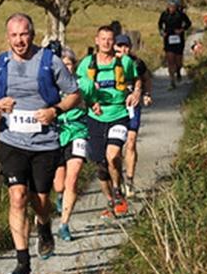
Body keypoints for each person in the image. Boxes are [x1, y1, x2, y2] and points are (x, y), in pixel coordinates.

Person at [0, 14, 83, 274]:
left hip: (45, 142)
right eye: (13, 35)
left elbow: (75, 94)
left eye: (23, 34)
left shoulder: (50, 62)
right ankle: (22, 264)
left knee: (39, 201)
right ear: (7, 37)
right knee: (17, 197)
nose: (19, 40)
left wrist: (54, 110)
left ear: (33, 34)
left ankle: (44, 225)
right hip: (12, 141)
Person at [77, 25, 141, 220]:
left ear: (114, 42)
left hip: (119, 113)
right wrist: (90, 101)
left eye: (110, 39)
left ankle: (117, 190)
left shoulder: (125, 61)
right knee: (100, 164)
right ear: (96, 40)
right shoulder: (87, 63)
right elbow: (76, 88)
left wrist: (137, 92)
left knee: (112, 156)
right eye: (103, 39)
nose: (106, 42)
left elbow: (137, 79)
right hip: (95, 117)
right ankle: (110, 199)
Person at [52, 46, 93, 242]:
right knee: (59, 184)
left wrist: (95, 106)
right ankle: (60, 196)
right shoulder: (51, 85)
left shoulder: (84, 84)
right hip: (57, 132)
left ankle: (64, 224)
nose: (66, 68)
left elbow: (94, 101)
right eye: (62, 64)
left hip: (78, 131)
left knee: (72, 179)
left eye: (69, 64)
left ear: (74, 65)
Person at [114, 32, 152, 198]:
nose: (123, 49)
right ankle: (117, 179)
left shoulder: (137, 62)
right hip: (114, 108)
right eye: (120, 46)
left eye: (126, 46)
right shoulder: (108, 63)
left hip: (132, 106)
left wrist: (146, 94)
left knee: (130, 143)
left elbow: (145, 79)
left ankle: (129, 181)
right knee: (116, 147)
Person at [157, 0, 192, 90]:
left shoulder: (181, 15)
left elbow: (188, 23)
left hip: (179, 40)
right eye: (170, 6)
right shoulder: (164, 15)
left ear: (176, 7)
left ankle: (179, 71)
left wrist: (181, 30)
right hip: (168, 39)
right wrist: (162, 33)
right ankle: (172, 81)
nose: (171, 8)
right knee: (170, 60)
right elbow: (160, 25)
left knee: (178, 62)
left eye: (173, 7)